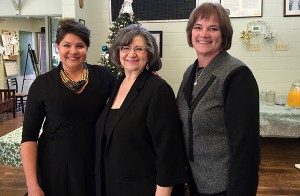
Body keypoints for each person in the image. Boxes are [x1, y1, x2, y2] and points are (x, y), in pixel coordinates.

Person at [21, 18, 116, 196]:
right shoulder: (43, 84)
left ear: (86, 48)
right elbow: (29, 137)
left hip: (92, 165)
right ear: (57, 47)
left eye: (80, 46)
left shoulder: (103, 77)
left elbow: (128, 95)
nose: (73, 51)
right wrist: (32, 185)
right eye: (67, 45)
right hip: (53, 168)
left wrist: (147, 77)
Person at [176, 3, 260, 196]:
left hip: (224, 186)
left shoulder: (237, 75)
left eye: (213, 28)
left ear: (224, 35)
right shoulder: (191, 71)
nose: (203, 34)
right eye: (198, 27)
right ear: (191, 33)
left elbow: (246, 147)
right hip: (195, 181)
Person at [95, 24, 186, 196]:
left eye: (139, 49)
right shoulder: (116, 85)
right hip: (112, 185)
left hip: (143, 189)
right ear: (118, 53)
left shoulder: (157, 89)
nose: (131, 54)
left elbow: (168, 153)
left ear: (149, 54)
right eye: (125, 48)